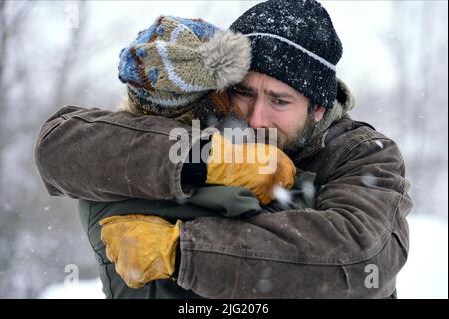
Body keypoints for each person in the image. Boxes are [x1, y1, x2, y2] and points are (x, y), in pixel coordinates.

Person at [35, 0, 412, 298]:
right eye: (244, 93)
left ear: (318, 107)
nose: (257, 118)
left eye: (280, 101)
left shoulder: (361, 153)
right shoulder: (208, 122)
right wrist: (203, 160)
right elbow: (59, 148)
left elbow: (362, 255)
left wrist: (181, 251)